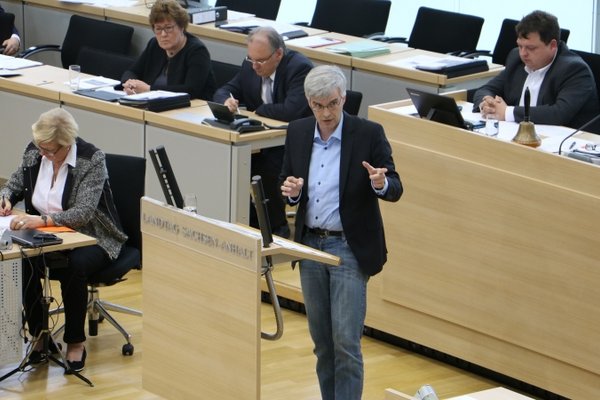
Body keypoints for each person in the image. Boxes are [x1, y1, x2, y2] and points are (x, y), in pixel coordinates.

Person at [279, 65, 403, 400]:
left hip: (349, 247)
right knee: (322, 344)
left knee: (346, 343)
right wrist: (291, 190)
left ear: (343, 98)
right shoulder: (299, 132)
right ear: (309, 103)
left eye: (332, 104)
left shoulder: (368, 133)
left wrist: (380, 183)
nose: (326, 112)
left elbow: (395, 186)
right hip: (310, 247)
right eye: (318, 106)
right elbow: (289, 182)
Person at [0, 108, 127, 372]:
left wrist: (42, 221)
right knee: (24, 261)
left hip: (93, 236)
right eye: (40, 147)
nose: (42, 154)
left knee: (74, 265)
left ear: (66, 143)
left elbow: (83, 213)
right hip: (45, 233)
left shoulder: (91, 159)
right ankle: (39, 337)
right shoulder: (36, 150)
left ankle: (75, 342)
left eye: (49, 150)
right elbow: (14, 182)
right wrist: (7, 198)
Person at [214, 26, 313, 237]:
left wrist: (255, 111)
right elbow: (224, 89)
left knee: (263, 165)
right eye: (251, 59)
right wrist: (227, 100)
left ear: (278, 54)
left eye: (260, 61)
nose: (255, 66)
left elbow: (292, 110)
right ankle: (251, 219)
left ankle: (277, 227)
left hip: (294, 141)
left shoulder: (299, 68)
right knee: (231, 160)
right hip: (263, 138)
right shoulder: (250, 64)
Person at [473, 10, 600, 131]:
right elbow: (485, 89)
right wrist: (487, 103)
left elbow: (559, 113)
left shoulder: (575, 70)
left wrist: (507, 112)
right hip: (514, 133)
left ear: (552, 46)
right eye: (520, 46)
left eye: (531, 48)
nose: (523, 53)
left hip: (563, 143)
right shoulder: (516, 58)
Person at [121, 0, 216, 100]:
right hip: (154, 104)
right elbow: (132, 71)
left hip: (192, 109)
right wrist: (129, 83)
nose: (163, 34)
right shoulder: (154, 45)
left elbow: (191, 90)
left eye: (168, 28)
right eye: (158, 28)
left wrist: (149, 89)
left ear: (182, 27)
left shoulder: (197, 51)